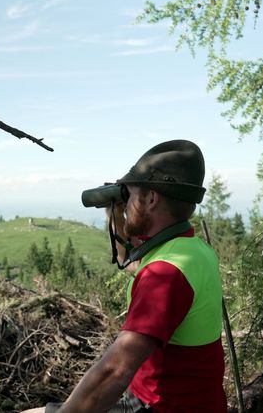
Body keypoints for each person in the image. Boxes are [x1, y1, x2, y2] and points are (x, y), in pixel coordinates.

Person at [23, 140, 227, 413]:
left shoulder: (165, 275)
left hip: (159, 407)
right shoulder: (192, 250)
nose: (126, 203)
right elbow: (129, 262)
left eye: (129, 196)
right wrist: (118, 214)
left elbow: (115, 371)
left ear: (152, 199)